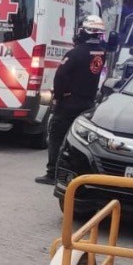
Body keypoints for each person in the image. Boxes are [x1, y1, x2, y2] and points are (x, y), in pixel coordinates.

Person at [35, 14, 107, 185]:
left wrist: (58, 97)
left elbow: (60, 77)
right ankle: (74, 174)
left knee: (56, 136)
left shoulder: (76, 54)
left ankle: (53, 173)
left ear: (86, 32)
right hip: (88, 103)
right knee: (77, 140)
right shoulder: (101, 54)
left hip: (69, 103)